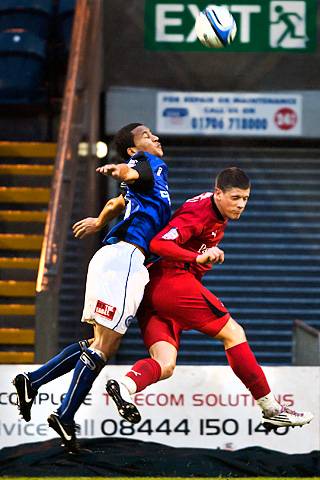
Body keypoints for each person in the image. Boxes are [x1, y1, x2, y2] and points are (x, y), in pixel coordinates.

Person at [106, 167, 314, 431]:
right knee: (234, 334)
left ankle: (125, 386)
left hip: (153, 292)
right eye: (236, 198)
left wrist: (205, 254)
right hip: (173, 282)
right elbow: (158, 244)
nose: (241, 205)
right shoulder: (200, 212)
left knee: (165, 363)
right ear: (218, 193)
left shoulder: (214, 210)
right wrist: (197, 258)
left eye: (246, 199)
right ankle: (271, 408)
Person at [12, 123, 172, 453]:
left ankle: (33, 381)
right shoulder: (150, 163)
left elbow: (117, 202)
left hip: (112, 258)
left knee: (96, 342)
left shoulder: (149, 178)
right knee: (104, 347)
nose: (154, 137)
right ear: (133, 149)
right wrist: (120, 170)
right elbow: (129, 175)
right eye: (145, 135)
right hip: (127, 259)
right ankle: (65, 414)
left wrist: (100, 221)